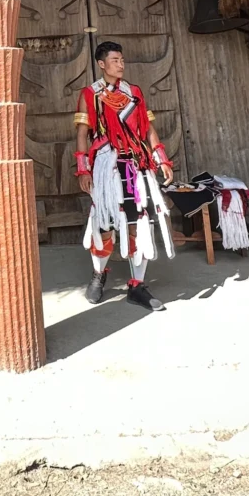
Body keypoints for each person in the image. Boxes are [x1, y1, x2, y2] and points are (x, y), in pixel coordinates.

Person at [74, 40, 175, 311]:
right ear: (101, 64)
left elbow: (148, 128)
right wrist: (83, 169)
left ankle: (136, 286)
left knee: (138, 222)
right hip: (107, 166)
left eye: (122, 59)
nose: (121, 64)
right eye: (115, 60)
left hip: (135, 165)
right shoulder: (90, 94)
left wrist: (160, 158)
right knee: (104, 223)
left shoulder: (134, 92)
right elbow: (82, 134)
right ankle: (99, 275)